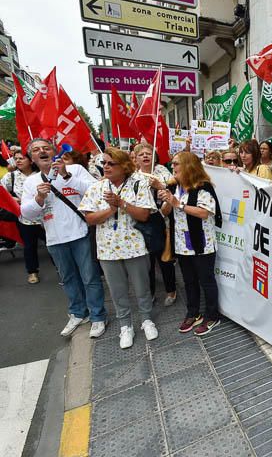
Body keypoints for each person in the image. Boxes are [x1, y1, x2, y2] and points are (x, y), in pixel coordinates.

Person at [21, 138, 107, 338]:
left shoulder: (74, 169)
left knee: (90, 277)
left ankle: (97, 316)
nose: (42, 151)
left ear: (54, 151)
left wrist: (67, 176)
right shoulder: (31, 181)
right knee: (68, 278)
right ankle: (78, 313)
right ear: (32, 158)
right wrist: (39, 199)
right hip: (54, 238)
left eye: (46, 148)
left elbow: (97, 191)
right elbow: (27, 214)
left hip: (80, 234)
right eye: (36, 150)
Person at [79, 148, 159, 348]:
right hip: (108, 249)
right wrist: (110, 210)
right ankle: (125, 326)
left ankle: (146, 320)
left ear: (124, 166)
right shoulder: (96, 188)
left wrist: (122, 203)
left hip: (135, 246)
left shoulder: (138, 185)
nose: (105, 167)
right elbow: (89, 219)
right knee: (117, 291)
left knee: (142, 287)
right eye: (104, 163)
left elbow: (144, 215)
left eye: (110, 163)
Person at [158, 152, 222, 336]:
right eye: (172, 163)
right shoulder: (174, 187)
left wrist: (178, 204)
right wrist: (168, 201)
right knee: (189, 281)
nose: (173, 167)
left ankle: (212, 315)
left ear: (188, 165)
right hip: (181, 244)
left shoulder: (203, 187)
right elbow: (165, 212)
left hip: (202, 244)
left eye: (176, 163)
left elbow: (204, 212)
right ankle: (193, 313)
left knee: (206, 280)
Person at [134, 144, 177, 306]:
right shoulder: (133, 177)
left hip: (163, 222)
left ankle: (171, 291)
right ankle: (149, 293)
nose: (145, 156)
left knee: (165, 259)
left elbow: (175, 192)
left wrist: (160, 186)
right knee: (146, 263)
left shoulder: (163, 173)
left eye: (149, 153)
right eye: (141, 154)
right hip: (143, 222)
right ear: (136, 159)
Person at [1, 149, 45, 283]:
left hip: (45, 216)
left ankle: (60, 268)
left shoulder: (41, 174)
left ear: (31, 160)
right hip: (24, 217)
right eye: (16, 158)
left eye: (22, 158)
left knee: (53, 244)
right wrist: (12, 199)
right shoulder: (11, 176)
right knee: (29, 245)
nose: (18, 161)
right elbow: (2, 192)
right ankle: (32, 272)